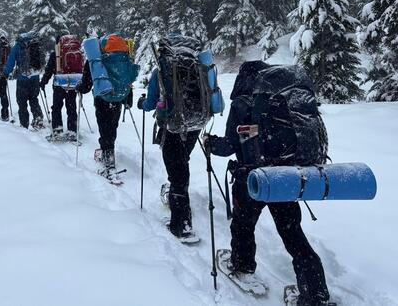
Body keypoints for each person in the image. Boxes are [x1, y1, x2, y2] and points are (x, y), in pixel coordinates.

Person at [202, 60, 332, 306]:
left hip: (252, 180)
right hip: (284, 177)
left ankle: (242, 265)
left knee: (243, 224)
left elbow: (231, 145)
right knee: (293, 233)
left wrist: (210, 143)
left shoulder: (242, 103)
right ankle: (316, 292)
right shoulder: (280, 101)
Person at [138, 43, 202, 240]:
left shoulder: (162, 69)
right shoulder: (196, 66)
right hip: (194, 123)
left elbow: (150, 102)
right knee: (182, 164)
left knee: (177, 173)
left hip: (172, 125)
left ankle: (181, 224)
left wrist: (142, 103)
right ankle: (180, 205)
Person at [77, 34, 136, 179]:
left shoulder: (97, 58)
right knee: (112, 127)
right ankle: (108, 150)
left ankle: (108, 161)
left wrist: (80, 88)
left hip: (102, 97)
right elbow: (127, 78)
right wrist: (128, 98)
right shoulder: (123, 57)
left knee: (104, 128)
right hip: (118, 97)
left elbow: (86, 83)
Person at [40, 35, 83, 141]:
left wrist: (43, 82)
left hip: (59, 84)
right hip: (73, 83)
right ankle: (72, 131)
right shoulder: (76, 52)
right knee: (71, 107)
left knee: (56, 107)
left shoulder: (56, 54)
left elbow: (49, 70)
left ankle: (57, 130)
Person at [3, 32, 45, 129]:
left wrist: (6, 72)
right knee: (34, 99)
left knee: (22, 102)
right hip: (35, 77)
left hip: (22, 79)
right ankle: (38, 118)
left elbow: (11, 61)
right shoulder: (34, 43)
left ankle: (24, 124)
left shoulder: (18, 46)